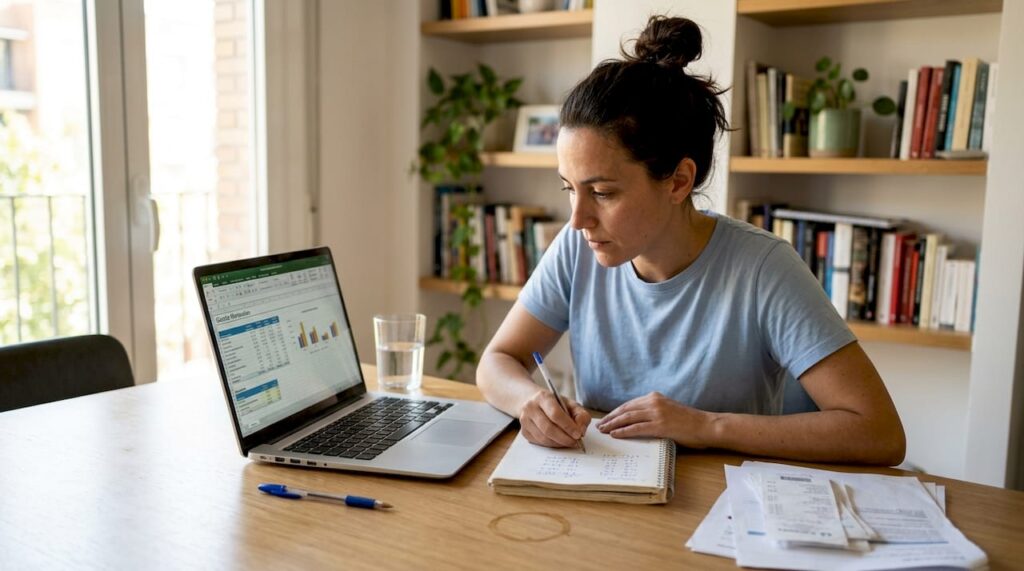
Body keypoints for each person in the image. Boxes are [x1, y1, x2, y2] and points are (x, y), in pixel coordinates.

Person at [476, 15, 906, 466]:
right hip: (603, 489)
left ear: (679, 181)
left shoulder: (764, 267)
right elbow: (498, 360)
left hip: (721, 499)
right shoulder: (577, 244)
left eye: (602, 193)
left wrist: (706, 425)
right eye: (569, 188)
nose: (578, 218)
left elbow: (879, 431)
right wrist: (529, 401)